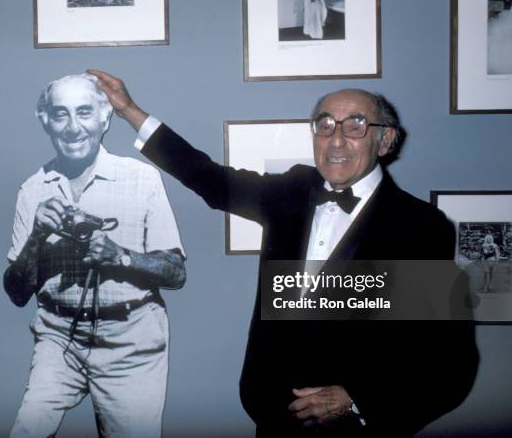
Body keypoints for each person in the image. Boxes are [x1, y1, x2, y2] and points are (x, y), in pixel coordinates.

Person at [87, 69, 479, 438]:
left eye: (355, 125)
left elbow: (448, 360)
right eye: (324, 125)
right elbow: (207, 177)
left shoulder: (419, 227)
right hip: (273, 417)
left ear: (386, 139)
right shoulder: (293, 191)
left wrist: (355, 398)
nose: (336, 139)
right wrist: (129, 111)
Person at [3, 74, 186, 438]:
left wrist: (120, 256)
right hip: (58, 337)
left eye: (84, 112)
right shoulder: (32, 189)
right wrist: (38, 237)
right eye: (61, 114)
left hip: (131, 341)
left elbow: (176, 273)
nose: (73, 127)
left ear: (104, 118)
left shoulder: (141, 179)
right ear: (45, 121)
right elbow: (16, 293)